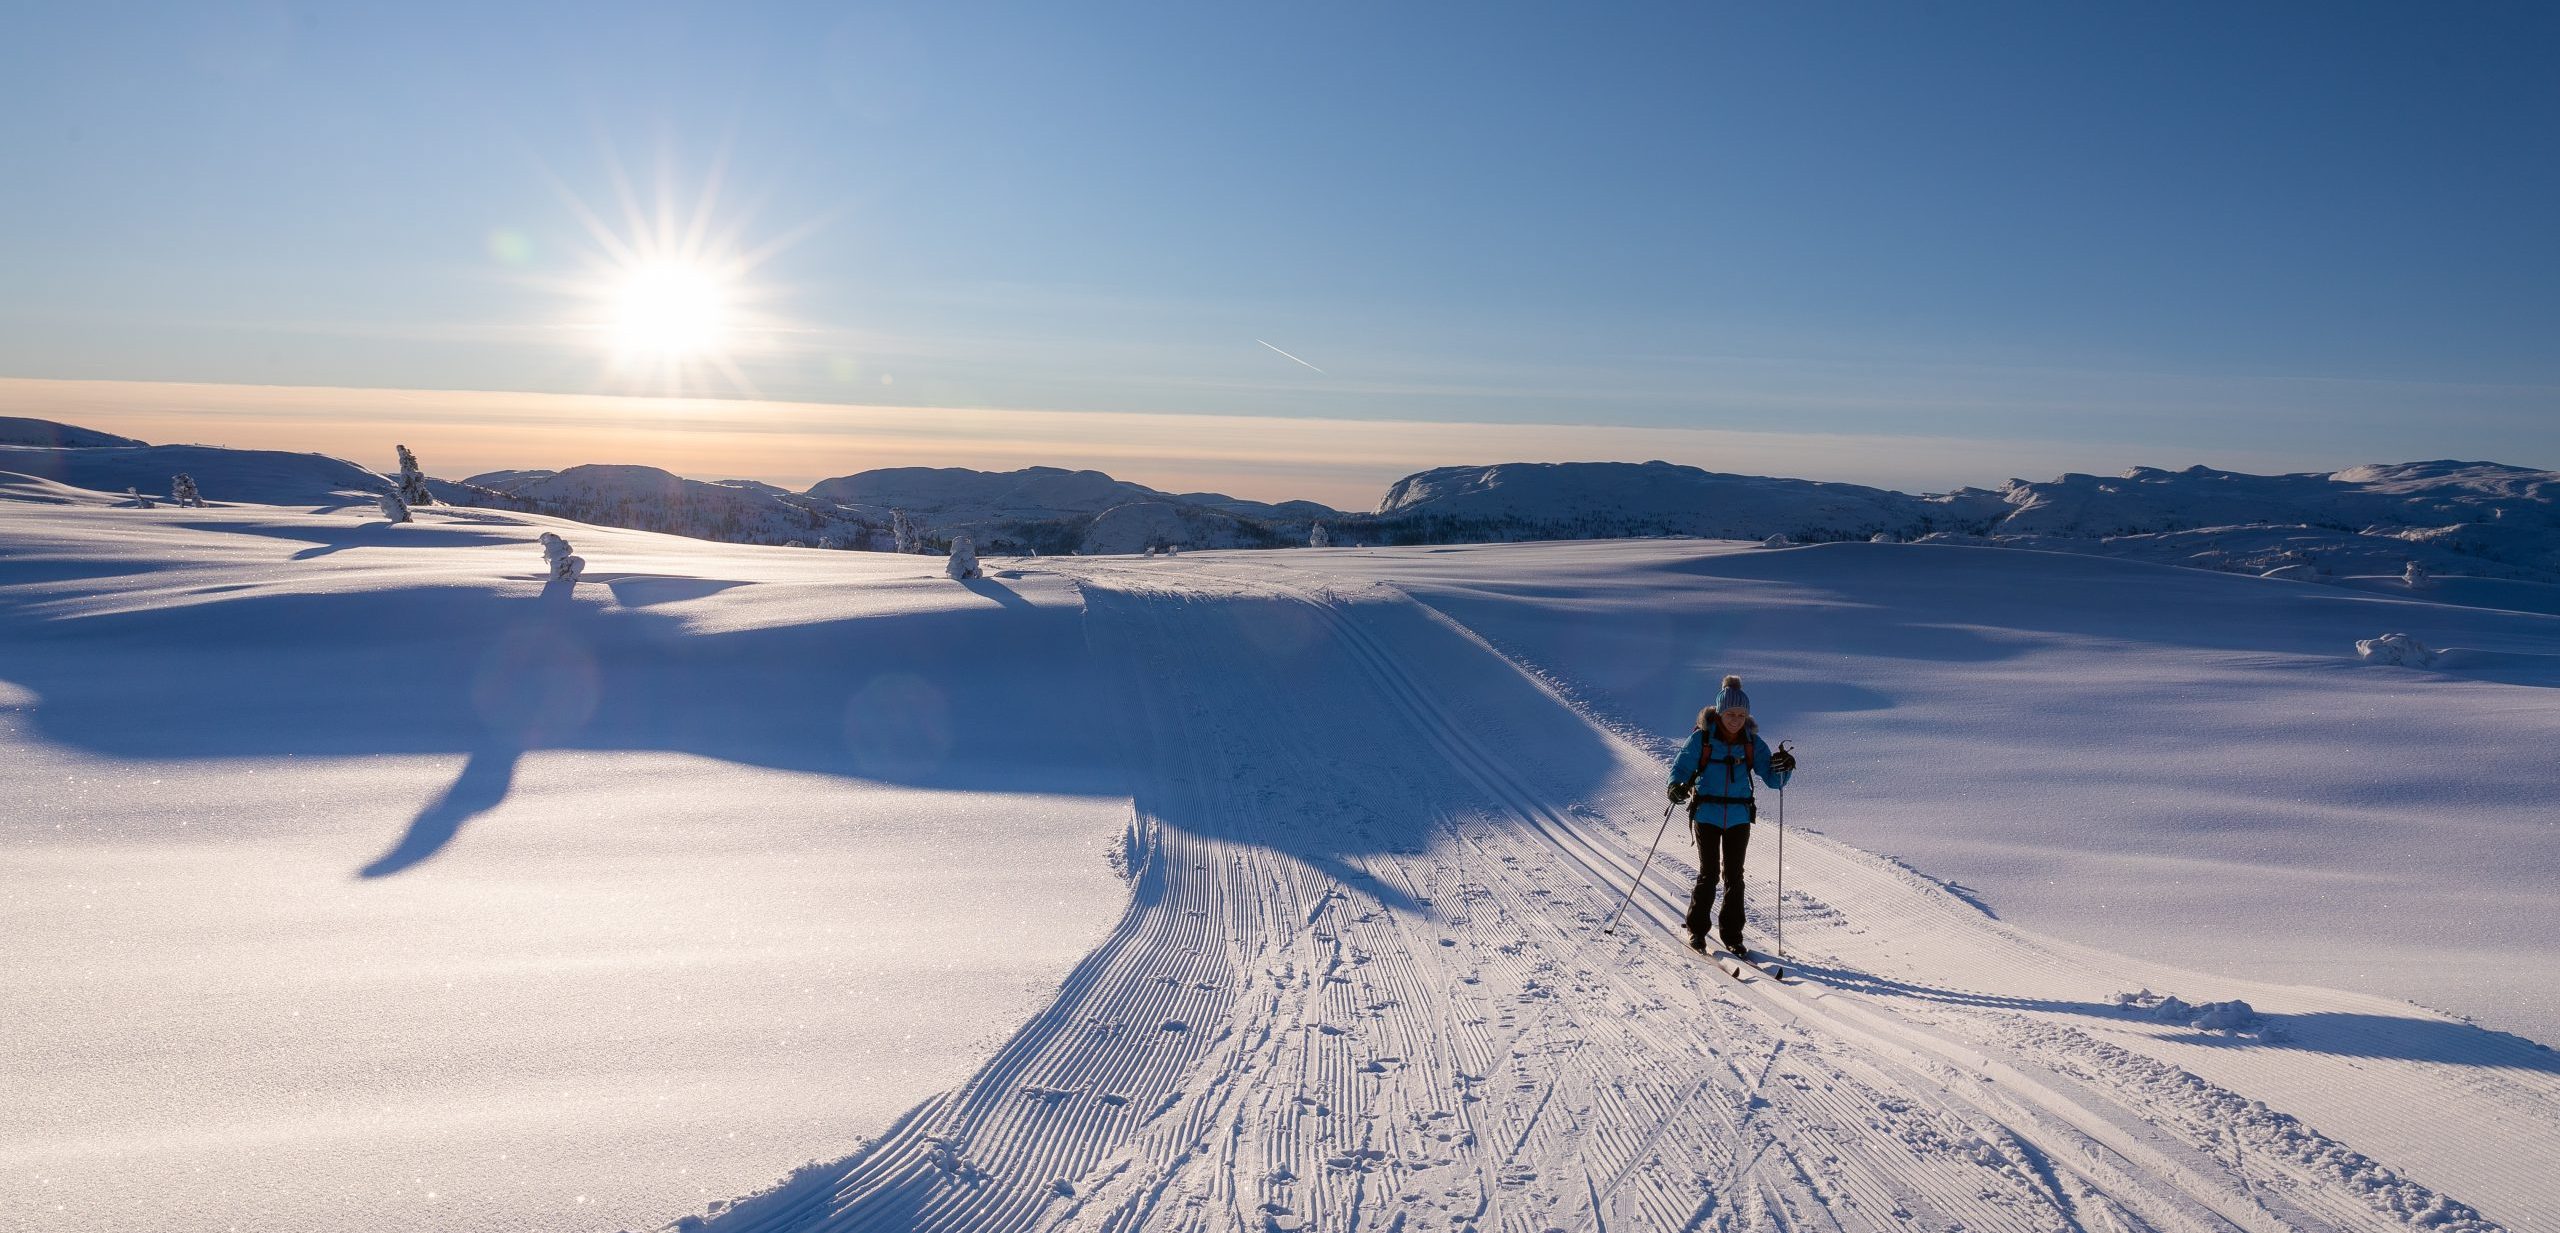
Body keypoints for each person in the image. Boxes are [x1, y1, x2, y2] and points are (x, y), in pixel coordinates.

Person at [1666, 675, 1796, 955]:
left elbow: (1774, 781)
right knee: (1709, 873)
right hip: (1706, 814)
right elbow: (1681, 768)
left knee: (1735, 877)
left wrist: (1785, 768)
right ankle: (1697, 931)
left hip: (1738, 816)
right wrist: (1675, 787)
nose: (1735, 719)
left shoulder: (1752, 743)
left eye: (1741, 714)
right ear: (1720, 713)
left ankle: (1733, 936)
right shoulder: (1701, 739)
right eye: (1730, 714)